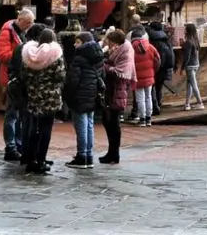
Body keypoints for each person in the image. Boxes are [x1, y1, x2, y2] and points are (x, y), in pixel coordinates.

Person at [19, 25, 66, 175]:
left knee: (33, 127)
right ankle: (41, 160)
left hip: (33, 96)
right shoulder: (56, 55)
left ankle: (30, 159)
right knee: (46, 128)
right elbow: (60, 76)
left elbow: (23, 76)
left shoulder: (28, 55)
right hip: (50, 97)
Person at [0, 9, 35, 161]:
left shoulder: (22, 33)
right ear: (20, 19)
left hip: (20, 78)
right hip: (12, 79)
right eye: (28, 22)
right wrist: (23, 52)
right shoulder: (7, 33)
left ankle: (18, 145)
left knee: (18, 115)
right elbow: (2, 55)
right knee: (11, 115)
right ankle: (10, 147)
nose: (30, 25)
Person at [64, 32, 104, 169]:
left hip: (79, 96)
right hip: (92, 95)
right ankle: (88, 155)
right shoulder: (98, 57)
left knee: (81, 127)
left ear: (83, 43)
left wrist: (68, 95)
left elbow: (73, 81)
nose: (75, 45)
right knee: (89, 126)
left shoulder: (79, 58)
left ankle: (82, 156)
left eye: (77, 42)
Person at [100, 29, 134, 165]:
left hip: (117, 91)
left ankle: (114, 154)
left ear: (115, 42)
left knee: (113, 123)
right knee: (107, 121)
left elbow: (120, 72)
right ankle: (111, 152)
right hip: (111, 91)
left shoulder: (125, 52)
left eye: (109, 41)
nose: (108, 43)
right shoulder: (118, 51)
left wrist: (105, 66)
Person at [130, 28, 160, 127]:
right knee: (148, 97)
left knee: (140, 99)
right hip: (150, 76)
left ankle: (142, 119)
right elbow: (158, 60)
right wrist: (153, 71)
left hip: (137, 77)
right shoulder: (151, 47)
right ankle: (148, 119)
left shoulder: (131, 49)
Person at [147, 22, 174, 115]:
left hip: (155, 67)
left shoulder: (151, 39)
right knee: (159, 87)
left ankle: (155, 107)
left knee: (152, 88)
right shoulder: (165, 38)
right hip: (165, 67)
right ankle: (158, 103)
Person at [181, 23, 204, 110]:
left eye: (185, 29)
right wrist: (183, 46)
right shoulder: (195, 40)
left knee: (193, 85)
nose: (184, 30)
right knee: (190, 84)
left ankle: (200, 103)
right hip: (196, 64)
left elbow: (187, 57)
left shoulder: (188, 42)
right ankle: (187, 104)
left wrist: (182, 68)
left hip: (190, 66)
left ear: (188, 31)